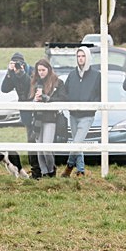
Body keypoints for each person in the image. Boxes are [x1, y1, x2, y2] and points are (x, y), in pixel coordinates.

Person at [61, 47, 101, 178]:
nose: (80, 59)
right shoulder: (72, 74)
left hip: (87, 115)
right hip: (73, 114)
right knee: (77, 143)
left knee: (76, 143)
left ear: (88, 57)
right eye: (78, 56)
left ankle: (69, 167)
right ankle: (81, 170)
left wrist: (91, 105)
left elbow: (99, 94)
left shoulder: (96, 75)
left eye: (83, 56)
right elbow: (65, 91)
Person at [0, 51, 40, 178]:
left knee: (38, 139)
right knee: (30, 140)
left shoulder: (32, 71)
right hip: (25, 110)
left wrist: (21, 74)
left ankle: (40, 169)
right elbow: (4, 89)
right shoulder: (13, 74)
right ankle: (35, 169)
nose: (17, 66)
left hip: (37, 109)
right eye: (14, 63)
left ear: (24, 63)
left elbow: (31, 87)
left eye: (18, 63)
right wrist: (9, 73)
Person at [28, 59, 67, 178]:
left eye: (43, 70)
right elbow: (29, 99)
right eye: (39, 70)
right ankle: (44, 172)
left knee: (47, 148)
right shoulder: (35, 83)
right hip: (37, 119)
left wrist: (47, 98)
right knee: (39, 149)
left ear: (49, 69)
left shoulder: (58, 82)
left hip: (51, 118)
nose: (41, 73)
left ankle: (51, 170)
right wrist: (34, 99)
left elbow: (63, 99)